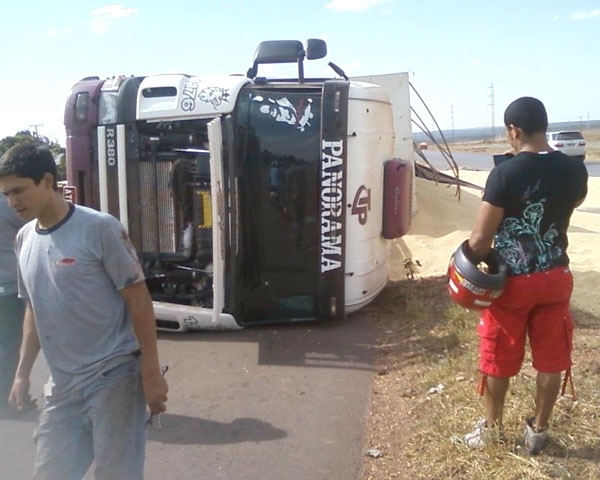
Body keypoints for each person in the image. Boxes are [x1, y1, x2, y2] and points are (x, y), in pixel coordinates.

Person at [0, 142, 168, 479]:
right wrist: (22, 373)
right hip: (62, 387)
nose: (12, 202)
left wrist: (151, 373)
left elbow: (139, 301)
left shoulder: (100, 228)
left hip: (113, 378)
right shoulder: (24, 239)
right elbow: (34, 308)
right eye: (6, 194)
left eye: (19, 190)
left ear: (48, 181)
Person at [462, 97, 588, 455]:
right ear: (544, 127)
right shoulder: (575, 170)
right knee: (551, 355)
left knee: (499, 354)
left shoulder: (505, 173)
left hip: (514, 282)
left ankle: (492, 429)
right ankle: (539, 431)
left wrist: (465, 270)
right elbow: (570, 205)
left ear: (514, 130)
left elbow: (481, 239)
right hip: (556, 276)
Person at [0, 193, 29, 416]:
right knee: (9, 345)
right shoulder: (5, 205)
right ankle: (6, 400)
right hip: (8, 286)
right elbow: (36, 225)